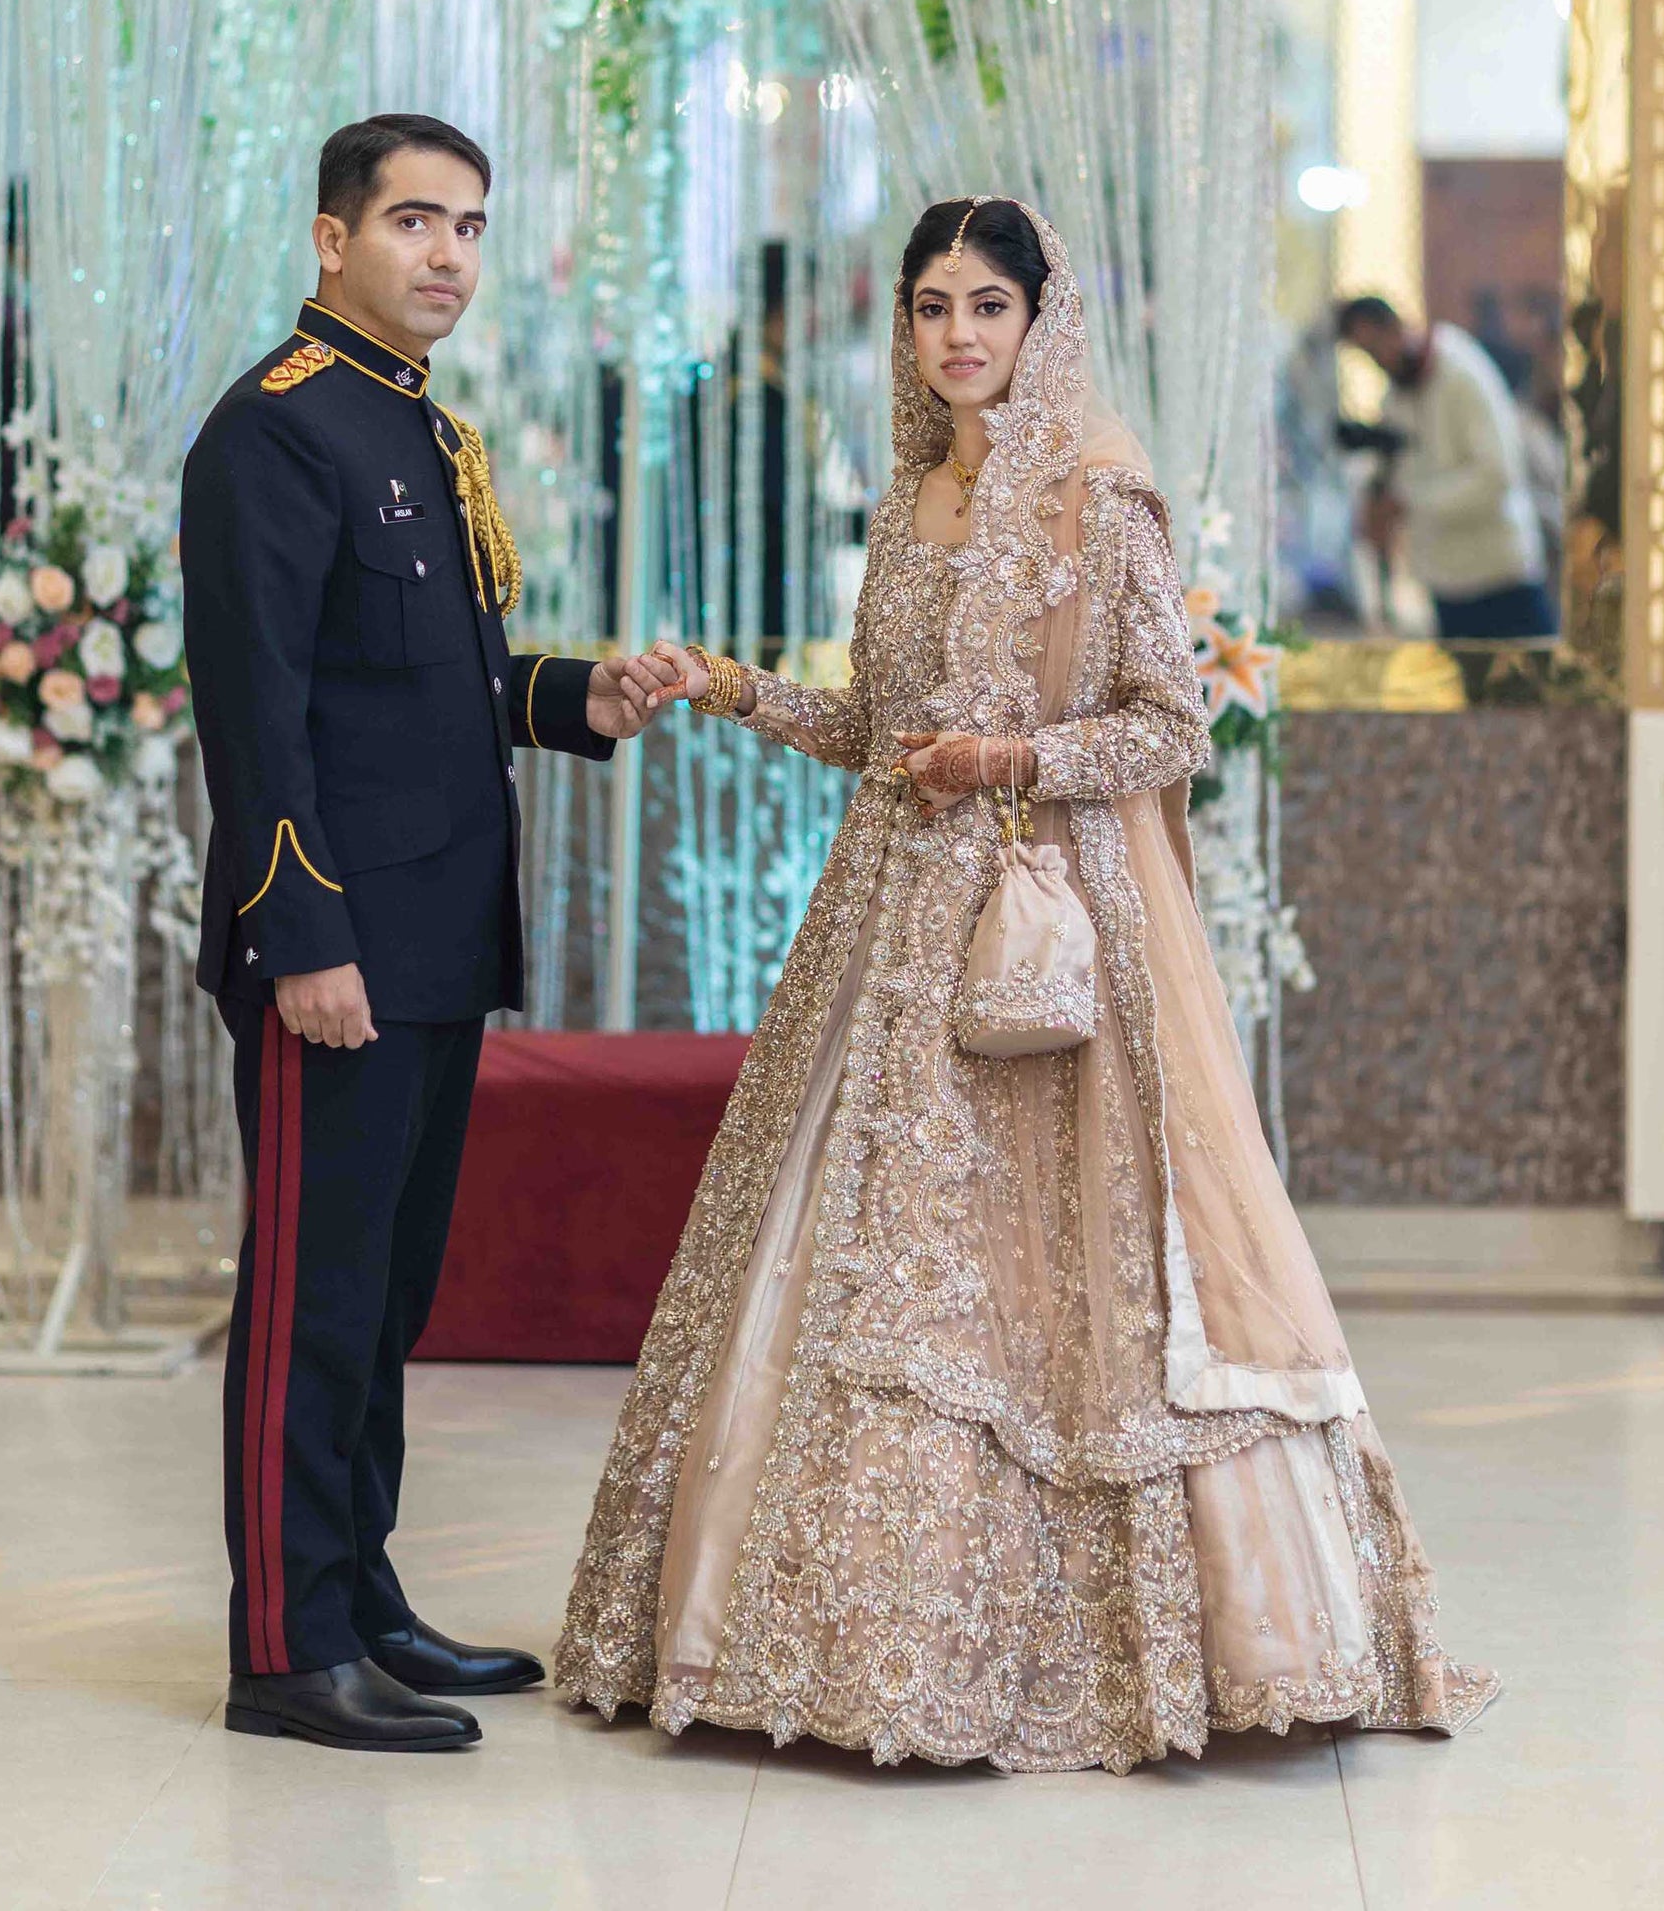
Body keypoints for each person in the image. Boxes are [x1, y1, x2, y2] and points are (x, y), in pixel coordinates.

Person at [557, 198, 1497, 1773]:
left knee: (1065, 1285)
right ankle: (829, 1637)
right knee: (874, 1266)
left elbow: (1165, 723)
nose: (957, 335)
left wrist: (1007, 760)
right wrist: (724, 685)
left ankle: (1119, 1638)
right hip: (885, 938)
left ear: (1037, 320)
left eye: (986, 305)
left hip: (1049, 935)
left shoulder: (1095, 492)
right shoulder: (906, 492)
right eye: (931, 306)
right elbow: (873, 728)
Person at [182, 111, 679, 1755]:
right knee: (308, 1299)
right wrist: (300, 933)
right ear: (334, 239)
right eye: (413, 219)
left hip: (438, 930)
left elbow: (424, 683)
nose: (448, 251)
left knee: (384, 1296)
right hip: (337, 946)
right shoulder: (274, 430)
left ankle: (364, 1598)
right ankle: (287, 1644)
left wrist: (573, 693)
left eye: (468, 222)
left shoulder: (417, 423)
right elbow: (258, 715)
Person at [1335, 294, 1558, 639]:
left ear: (1396, 328)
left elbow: (1496, 479)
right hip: (1446, 583)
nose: (1378, 361)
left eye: (1376, 347)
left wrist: (1407, 503)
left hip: (1500, 579)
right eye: (1367, 355)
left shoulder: (1461, 372)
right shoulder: (1397, 396)